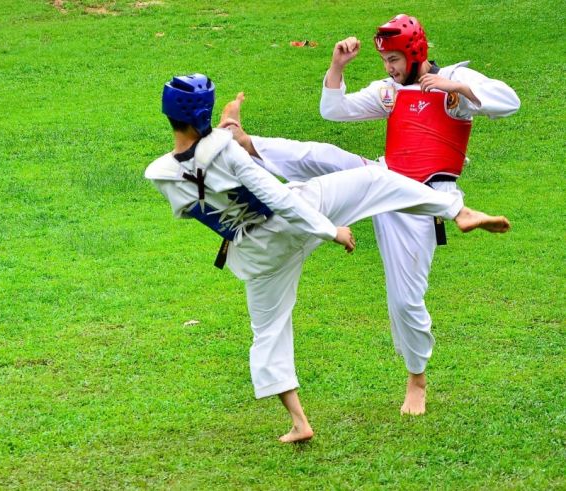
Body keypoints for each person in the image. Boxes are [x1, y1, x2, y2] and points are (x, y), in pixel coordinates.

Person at [145, 73, 510, 443]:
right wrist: (330, 230)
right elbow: (278, 197)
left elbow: (202, 183)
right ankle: (457, 211)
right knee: (374, 181)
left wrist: (229, 122)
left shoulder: (160, 173)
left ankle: (299, 422)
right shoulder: (226, 150)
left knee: (269, 332)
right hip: (295, 221)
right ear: (204, 114)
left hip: (256, 254)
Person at [221, 14, 520, 416]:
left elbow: (509, 101)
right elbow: (334, 110)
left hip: (422, 199)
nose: (389, 68)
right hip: (380, 177)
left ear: (416, 53)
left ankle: (417, 378)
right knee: (323, 155)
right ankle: (248, 145)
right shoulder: (390, 92)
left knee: (404, 300)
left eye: (394, 59)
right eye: (384, 61)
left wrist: (458, 86)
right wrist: (336, 67)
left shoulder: (454, 82)